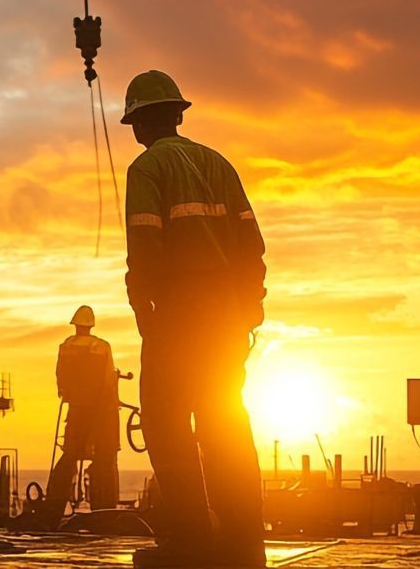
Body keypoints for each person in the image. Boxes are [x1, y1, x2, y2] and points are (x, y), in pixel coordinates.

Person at [120, 70, 268, 567]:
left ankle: (191, 540)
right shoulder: (218, 163)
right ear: (177, 115)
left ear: (141, 123)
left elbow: (145, 243)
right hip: (226, 316)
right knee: (225, 422)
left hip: (178, 315)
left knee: (165, 423)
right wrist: (250, 307)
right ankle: (244, 541)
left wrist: (143, 305)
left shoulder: (146, 168)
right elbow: (251, 243)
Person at [38, 305, 121, 525]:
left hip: (76, 409)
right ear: (91, 325)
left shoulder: (66, 347)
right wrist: (109, 403)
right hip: (100, 411)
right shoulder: (102, 347)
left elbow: (60, 375)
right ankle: (104, 511)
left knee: (70, 455)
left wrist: (66, 392)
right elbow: (108, 379)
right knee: (104, 458)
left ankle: (54, 506)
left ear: (75, 324)